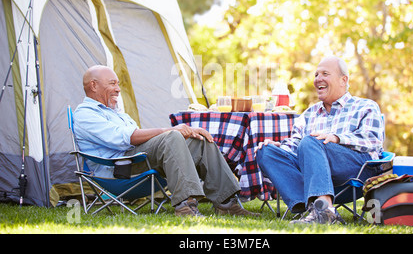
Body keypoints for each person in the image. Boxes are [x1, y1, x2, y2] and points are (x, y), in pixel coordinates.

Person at [73, 65, 258, 217]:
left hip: (135, 159)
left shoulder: (115, 113)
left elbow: (134, 138)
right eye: (112, 83)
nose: (118, 89)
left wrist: (186, 131)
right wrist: (170, 130)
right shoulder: (85, 114)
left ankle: (227, 204)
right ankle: (186, 207)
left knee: (199, 140)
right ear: (94, 86)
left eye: (118, 84)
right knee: (171, 136)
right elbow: (125, 139)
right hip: (118, 169)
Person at [256, 56, 384, 224]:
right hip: (312, 173)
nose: (318, 79)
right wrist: (279, 147)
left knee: (311, 141)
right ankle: (311, 208)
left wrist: (337, 139)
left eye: (325, 73)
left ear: (343, 80)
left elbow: (373, 140)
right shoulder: (309, 113)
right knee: (265, 152)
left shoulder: (366, 106)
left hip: (355, 170)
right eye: (316, 75)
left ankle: (324, 212)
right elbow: (296, 144)